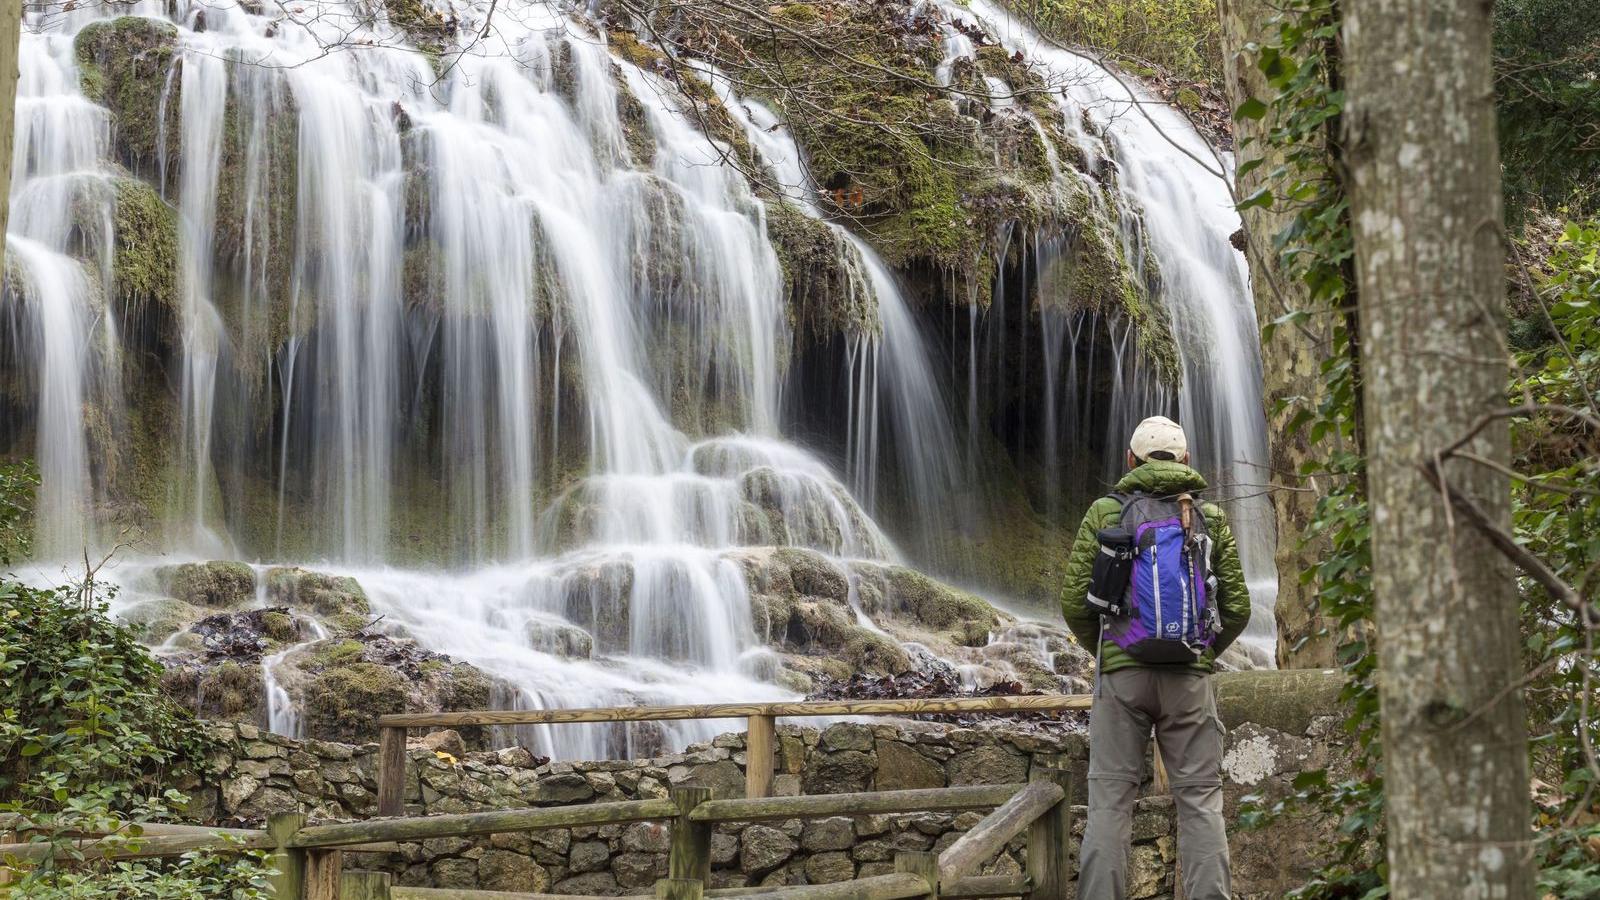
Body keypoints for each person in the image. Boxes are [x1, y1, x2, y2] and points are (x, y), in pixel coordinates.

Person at [1060, 415, 1250, 900]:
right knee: (1201, 804)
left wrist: (1112, 653)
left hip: (1123, 681)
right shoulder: (1212, 518)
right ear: (1185, 461)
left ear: (1130, 460)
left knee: (1109, 804)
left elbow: (1074, 603)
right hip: (1188, 680)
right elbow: (1239, 609)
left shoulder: (1106, 512)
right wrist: (1202, 654)